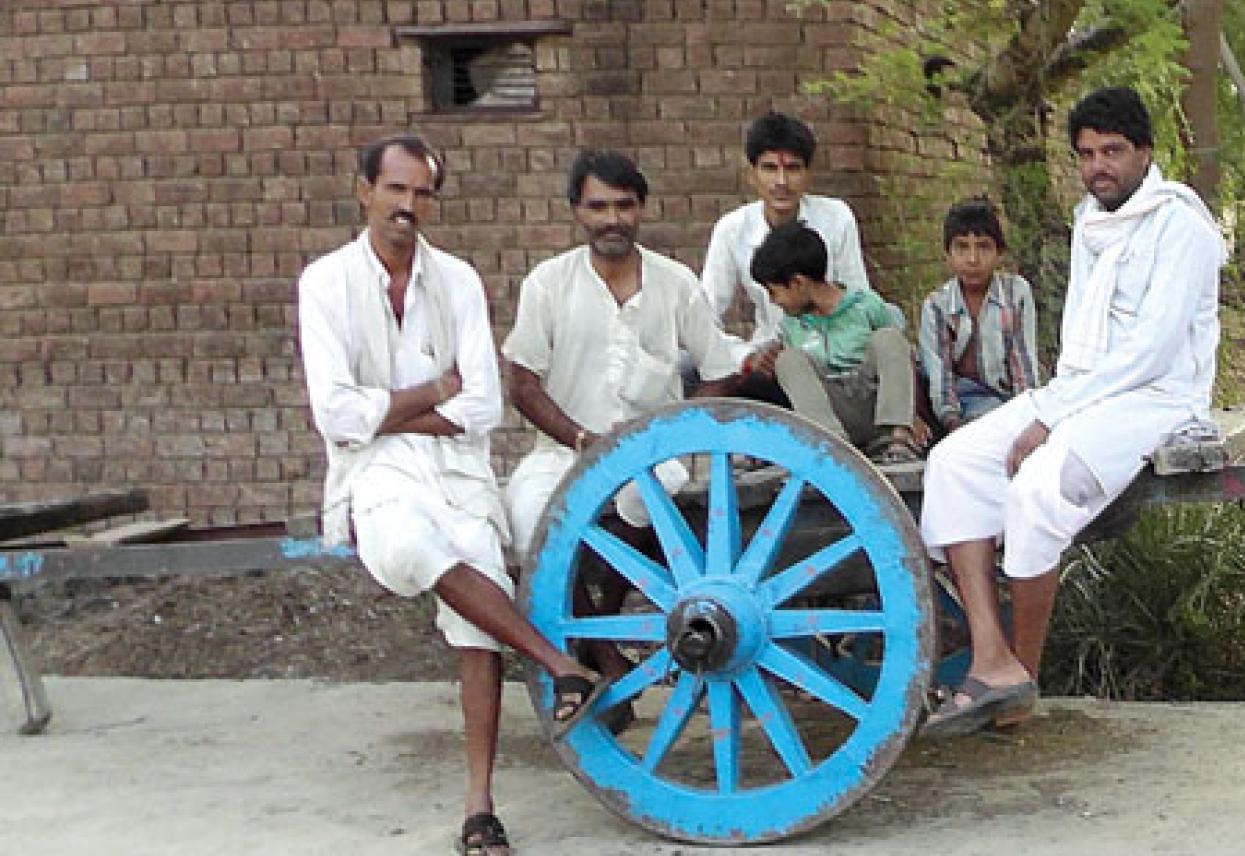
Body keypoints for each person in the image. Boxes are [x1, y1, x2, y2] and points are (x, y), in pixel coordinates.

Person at [297, 134, 602, 855]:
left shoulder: (457, 280)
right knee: (407, 546)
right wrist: (435, 391)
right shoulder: (326, 283)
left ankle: (479, 807)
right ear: (364, 190)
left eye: (422, 192)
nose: (408, 206)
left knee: (477, 598)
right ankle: (559, 663)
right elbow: (335, 415)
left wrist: (395, 405)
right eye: (395, 190)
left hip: (458, 468)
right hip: (375, 470)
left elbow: (485, 407)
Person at [917, 86, 1224, 737]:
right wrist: (1057, 404)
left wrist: (1052, 416)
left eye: (1112, 152)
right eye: (1086, 154)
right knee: (951, 462)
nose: (1097, 167)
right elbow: (1088, 347)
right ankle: (991, 658)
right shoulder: (1092, 218)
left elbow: (1150, 352)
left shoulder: (1184, 227)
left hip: (1155, 399)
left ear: (1145, 152)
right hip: (1084, 387)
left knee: (1036, 490)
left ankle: (1021, 677)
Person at [501, 150, 741, 698]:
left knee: (653, 495)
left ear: (642, 209)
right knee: (530, 514)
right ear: (576, 211)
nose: (612, 219)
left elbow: (720, 372)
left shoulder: (676, 283)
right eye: (598, 206)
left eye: (624, 206)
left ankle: (599, 630)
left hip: (654, 453)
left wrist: (674, 433)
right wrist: (582, 441)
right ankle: (601, 648)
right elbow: (522, 384)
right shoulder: (547, 285)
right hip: (564, 449)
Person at [700, 111, 873, 396]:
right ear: (751, 173)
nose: (781, 181)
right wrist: (745, 356)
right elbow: (703, 318)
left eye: (792, 168)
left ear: (808, 173)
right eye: (769, 168)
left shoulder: (836, 218)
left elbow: (859, 300)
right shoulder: (732, 229)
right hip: (766, 362)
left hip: (831, 359)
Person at [748, 221, 920, 463]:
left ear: (797, 283)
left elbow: (902, 361)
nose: (774, 302)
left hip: (873, 407)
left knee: (889, 338)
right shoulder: (790, 326)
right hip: (831, 415)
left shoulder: (866, 306)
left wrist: (914, 415)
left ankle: (899, 439)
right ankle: (832, 448)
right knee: (788, 360)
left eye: (774, 292)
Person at [918, 198, 1041, 436]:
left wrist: (1028, 418)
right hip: (955, 405)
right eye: (962, 247)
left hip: (1001, 400)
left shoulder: (1016, 293)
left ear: (998, 253)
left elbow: (1023, 367)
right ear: (949, 254)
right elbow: (940, 378)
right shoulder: (937, 305)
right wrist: (955, 425)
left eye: (983, 247)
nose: (972, 259)